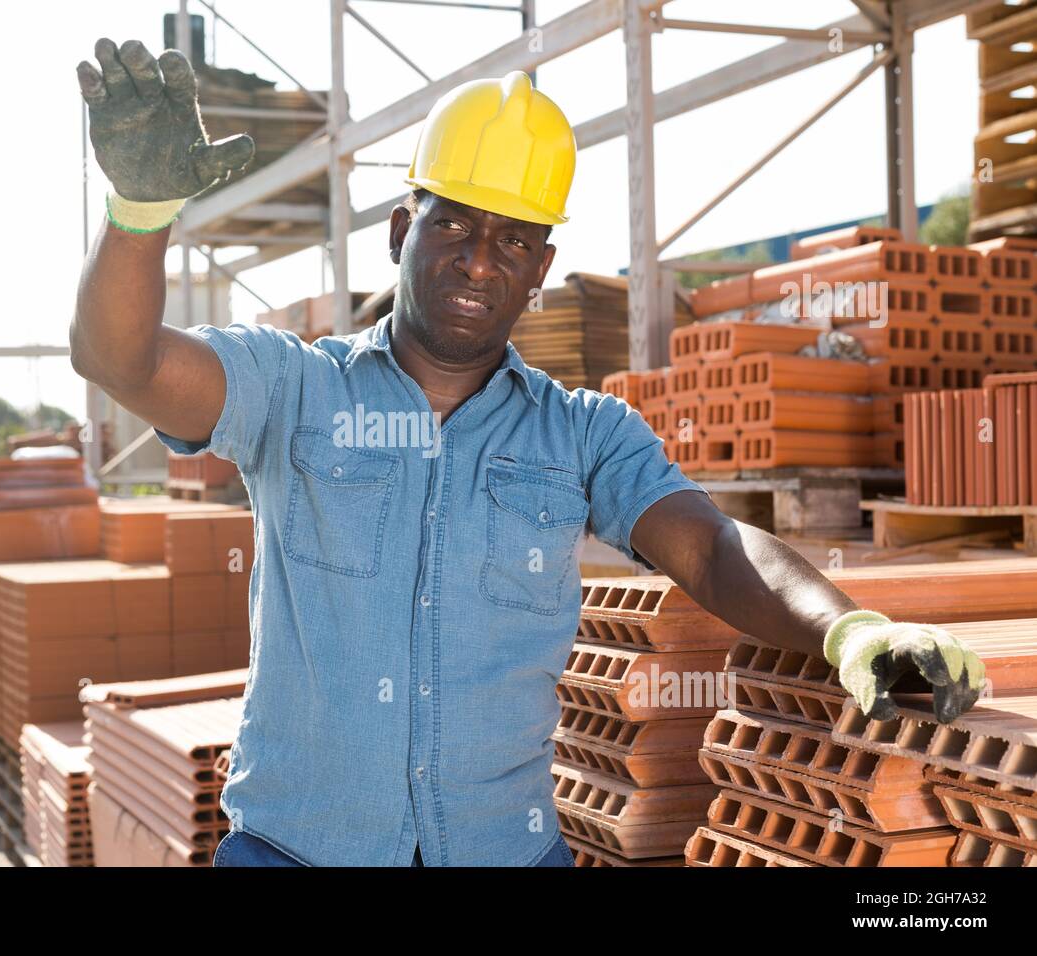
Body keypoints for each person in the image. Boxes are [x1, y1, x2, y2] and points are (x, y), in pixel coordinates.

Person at [70, 40, 987, 866]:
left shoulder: (583, 432)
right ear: (402, 232)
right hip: (298, 851)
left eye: (513, 240)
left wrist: (849, 628)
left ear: (541, 269)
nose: (480, 262)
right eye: (455, 226)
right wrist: (140, 215)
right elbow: (122, 358)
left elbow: (711, 547)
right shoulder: (295, 390)